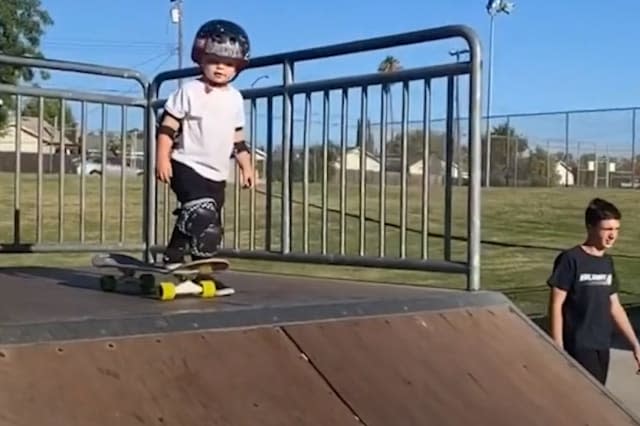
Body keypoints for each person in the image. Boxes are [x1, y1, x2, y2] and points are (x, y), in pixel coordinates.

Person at [155, 19, 254, 276]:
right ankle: (175, 257)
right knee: (200, 212)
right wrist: (162, 158)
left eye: (229, 64)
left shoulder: (235, 98)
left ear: (238, 68)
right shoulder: (189, 91)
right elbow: (167, 128)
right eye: (213, 61)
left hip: (218, 173)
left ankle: (192, 267)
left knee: (208, 231)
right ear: (200, 59)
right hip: (186, 163)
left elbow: (238, 138)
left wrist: (247, 167)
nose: (221, 67)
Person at [547, 197, 640, 385]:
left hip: (602, 343)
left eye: (616, 229)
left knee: (597, 395)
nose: (613, 235)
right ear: (590, 227)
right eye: (607, 229)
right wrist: (557, 347)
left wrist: (635, 344)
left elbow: (614, 306)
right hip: (578, 345)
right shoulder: (571, 259)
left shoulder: (606, 263)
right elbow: (556, 305)